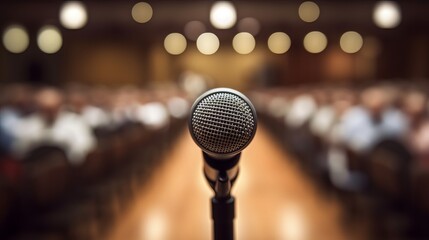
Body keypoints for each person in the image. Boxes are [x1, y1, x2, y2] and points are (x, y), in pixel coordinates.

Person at [13, 87, 96, 165]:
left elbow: (86, 146)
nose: (49, 113)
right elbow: (18, 150)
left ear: (60, 106)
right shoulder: (28, 124)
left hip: (67, 169)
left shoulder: (75, 122)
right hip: (35, 168)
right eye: (45, 109)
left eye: (53, 109)